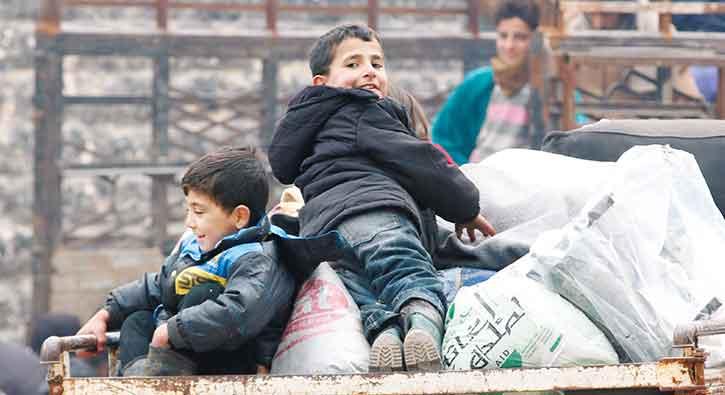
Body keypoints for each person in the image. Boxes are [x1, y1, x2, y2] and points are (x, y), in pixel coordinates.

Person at [268, 24, 496, 372]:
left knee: (363, 294)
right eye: (353, 64)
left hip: (323, 234)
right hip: (374, 214)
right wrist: (466, 207)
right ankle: (422, 325)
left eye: (377, 63)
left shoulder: (307, 133)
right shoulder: (363, 111)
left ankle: (385, 332)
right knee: (406, 271)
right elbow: (424, 164)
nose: (369, 71)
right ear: (322, 82)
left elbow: (282, 166)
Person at [75, 147, 332, 376]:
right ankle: (143, 383)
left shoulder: (258, 257)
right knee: (138, 321)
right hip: (179, 349)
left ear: (239, 217)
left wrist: (171, 331)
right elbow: (160, 284)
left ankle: (162, 381)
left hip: (233, 361)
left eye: (199, 212)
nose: (190, 221)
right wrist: (106, 313)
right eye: (188, 210)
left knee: (201, 293)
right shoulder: (195, 248)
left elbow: (239, 313)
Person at [431, 0, 545, 164]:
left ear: (535, 39)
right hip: (478, 177)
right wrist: (465, 173)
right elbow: (443, 135)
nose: (509, 45)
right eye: (503, 36)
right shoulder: (478, 83)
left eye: (520, 37)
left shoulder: (546, 88)